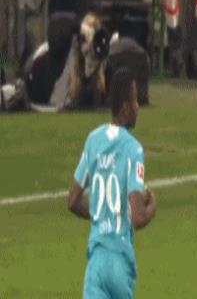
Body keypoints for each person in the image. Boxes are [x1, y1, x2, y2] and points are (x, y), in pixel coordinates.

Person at [68, 68, 156, 298]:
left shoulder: (93, 140)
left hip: (96, 262)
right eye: (135, 100)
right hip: (119, 263)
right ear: (126, 107)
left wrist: (102, 213)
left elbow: (73, 200)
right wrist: (151, 209)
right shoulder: (133, 149)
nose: (138, 107)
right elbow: (137, 218)